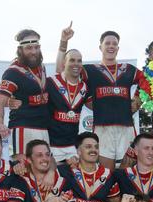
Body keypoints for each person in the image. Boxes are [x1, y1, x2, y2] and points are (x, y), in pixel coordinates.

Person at [58, 25, 144, 169]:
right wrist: (63, 42)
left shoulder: (128, 69)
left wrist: (137, 99)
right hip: (102, 128)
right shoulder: (90, 70)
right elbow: (62, 72)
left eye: (114, 44)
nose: (111, 46)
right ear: (100, 47)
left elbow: (147, 80)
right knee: (106, 174)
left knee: (128, 174)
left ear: (118, 48)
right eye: (107, 43)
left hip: (126, 127)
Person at [0, 29, 50, 159]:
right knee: (23, 171)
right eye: (29, 48)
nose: (34, 52)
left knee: (42, 169)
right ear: (20, 49)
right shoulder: (13, 71)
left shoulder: (41, 67)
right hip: (22, 128)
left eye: (36, 47)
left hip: (42, 127)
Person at [57, 132, 120, 202]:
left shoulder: (109, 175)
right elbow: (47, 166)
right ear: (78, 151)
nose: (93, 150)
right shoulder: (66, 172)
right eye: (88, 147)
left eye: (96, 147)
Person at [5, 140, 69, 202]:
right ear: (29, 159)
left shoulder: (62, 179)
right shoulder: (21, 179)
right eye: (39, 155)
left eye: (47, 155)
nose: (44, 158)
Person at [46, 49, 89, 162]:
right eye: (72, 60)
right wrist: (12, 99)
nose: (76, 64)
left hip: (72, 148)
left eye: (79, 61)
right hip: (50, 146)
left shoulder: (85, 87)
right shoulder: (50, 82)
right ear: (64, 63)